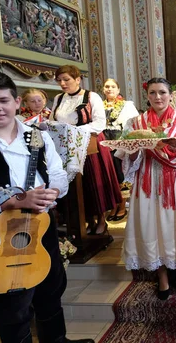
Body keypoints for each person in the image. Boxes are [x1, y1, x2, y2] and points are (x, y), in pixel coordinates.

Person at [0, 71, 92, 343]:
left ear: (16, 101)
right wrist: (13, 201)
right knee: (12, 308)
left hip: (40, 229)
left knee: (51, 292)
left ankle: (56, 340)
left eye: (3, 100)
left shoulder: (37, 137)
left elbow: (57, 174)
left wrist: (52, 192)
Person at [119, 78, 176, 300]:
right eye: (152, 93)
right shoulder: (135, 123)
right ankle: (161, 274)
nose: (157, 97)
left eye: (162, 92)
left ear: (171, 95)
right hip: (149, 180)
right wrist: (134, 148)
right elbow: (128, 159)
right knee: (154, 225)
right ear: (147, 96)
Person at [50, 65, 121, 235]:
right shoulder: (59, 98)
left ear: (77, 79)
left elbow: (99, 123)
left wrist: (74, 130)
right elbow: (52, 120)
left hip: (90, 145)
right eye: (59, 80)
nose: (62, 83)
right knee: (76, 187)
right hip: (67, 146)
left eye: (66, 79)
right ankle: (86, 220)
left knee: (93, 184)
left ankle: (101, 221)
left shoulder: (91, 96)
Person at [102, 78, 139, 221]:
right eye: (107, 87)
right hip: (104, 143)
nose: (109, 89)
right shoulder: (100, 105)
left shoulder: (126, 106)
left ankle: (122, 205)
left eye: (112, 86)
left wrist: (119, 143)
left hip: (119, 143)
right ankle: (113, 205)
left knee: (120, 176)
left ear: (118, 89)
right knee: (109, 177)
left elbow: (131, 126)